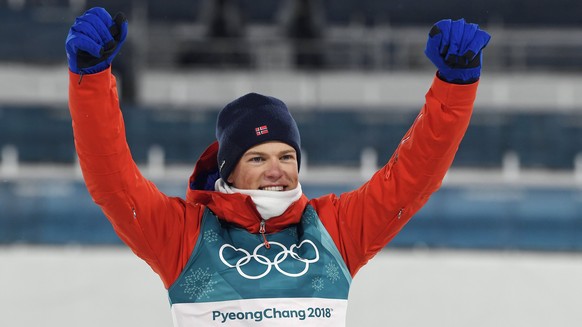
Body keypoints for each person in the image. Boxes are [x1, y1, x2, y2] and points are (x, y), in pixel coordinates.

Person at [66, 7, 490, 326]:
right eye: (258, 157)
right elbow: (112, 180)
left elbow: (413, 178)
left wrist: (455, 87)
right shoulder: (184, 236)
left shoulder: (334, 231)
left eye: (286, 156)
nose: (277, 170)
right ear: (227, 171)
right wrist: (91, 79)